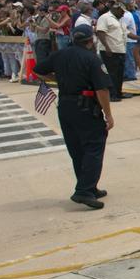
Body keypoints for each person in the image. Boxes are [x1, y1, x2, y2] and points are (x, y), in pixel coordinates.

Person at [32, 24, 114, 209]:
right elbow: (102, 89)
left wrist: (57, 79)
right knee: (94, 147)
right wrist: (108, 114)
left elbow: (37, 69)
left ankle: (89, 186)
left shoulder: (60, 54)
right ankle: (83, 191)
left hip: (65, 106)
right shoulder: (92, 59)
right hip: (85, 106)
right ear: (90, 40)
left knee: (77, 150)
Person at [94, 2, 128, 101]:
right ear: (116, 9)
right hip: (110, 51)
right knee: (112, 74)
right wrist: (107, 47)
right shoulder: (104, 18)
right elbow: (100, 32)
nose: (123, 14)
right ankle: (112, 95)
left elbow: (127, 33)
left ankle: (118, 92)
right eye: (122, 12)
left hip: (120, 50)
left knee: (119, 74)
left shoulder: (120, 20)